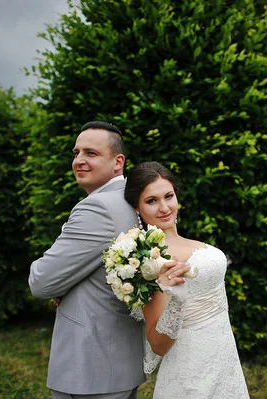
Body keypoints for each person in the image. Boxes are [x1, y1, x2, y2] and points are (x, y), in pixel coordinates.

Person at [28, 122, 189, 399]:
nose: (79, 160)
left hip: (91, 366)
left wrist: (59, 283)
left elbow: (41, 281)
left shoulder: (98, 207)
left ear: (118, 162)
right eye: (76, 152)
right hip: (117, 362)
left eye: (91, 153)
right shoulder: (133, 199)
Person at [124, 161, 250, 399]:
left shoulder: (188, 242)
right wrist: (177, 300)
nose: (164, 207)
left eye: (168, 196)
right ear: (137, 208)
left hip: (224, 357)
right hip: (191, 368)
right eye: (152, 201)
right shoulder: (151, 260)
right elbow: (158, 344)